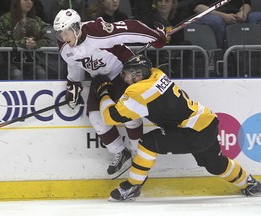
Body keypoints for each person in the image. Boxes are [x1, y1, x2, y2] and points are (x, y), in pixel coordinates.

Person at [90, 54, 261, 201]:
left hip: (193, 131)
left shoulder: (138, 92)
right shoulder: (157, 74)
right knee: (215, 164)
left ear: (138, 75)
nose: (123, 78)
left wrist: (104, 92)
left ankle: (132, 186)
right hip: (206, 122)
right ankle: (250, 183)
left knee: (148, 142)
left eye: (126, 74)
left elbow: (109, 117)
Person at [53, 9, 167, 179]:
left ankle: (138, 154)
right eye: (60, 33)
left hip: (122, 71)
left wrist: (155, 36)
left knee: (129, 115)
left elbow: (128, 29)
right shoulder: (64, 46)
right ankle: (122, 153)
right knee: (96, 118)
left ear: (76, 28)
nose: (63, 37)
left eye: (66, 32)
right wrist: (73, 84)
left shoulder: (96, 31)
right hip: (100, 79)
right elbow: (74, 64)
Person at [0, 0, 49, 80]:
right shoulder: (5, 19)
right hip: (9, 63)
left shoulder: (37, 20)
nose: (29, 2)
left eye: (31, 0)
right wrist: (22, 43)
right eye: (25, 0)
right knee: (17, 74)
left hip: (31, 63)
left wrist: (35, 44)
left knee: (41, 73)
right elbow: (0, 42)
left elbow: (46, 40)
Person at [190, 0, 261, 49]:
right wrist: (223, 16)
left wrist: (243, 13)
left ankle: (253, 54)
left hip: (235, 15)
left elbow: (246, 3)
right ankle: (221, 52)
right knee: (215, 20)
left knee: (258, 16)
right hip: (212, 14)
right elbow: (197, 7)